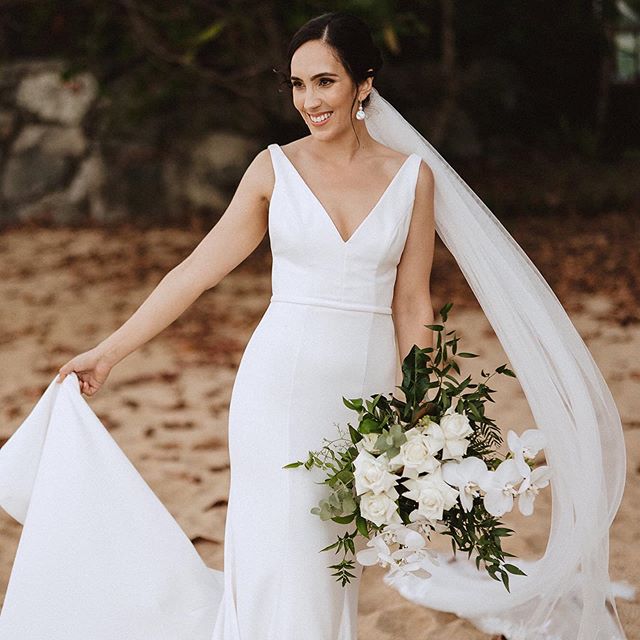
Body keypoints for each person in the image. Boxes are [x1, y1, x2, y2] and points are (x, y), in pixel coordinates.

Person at [0, 10, 632, 640]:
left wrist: (415, 413)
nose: (308, 100)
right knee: (285, 555)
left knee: (329, 564)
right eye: (298, 85)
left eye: (324, 82)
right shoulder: (273, 169)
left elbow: (413, 305)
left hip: (366, 403)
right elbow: (195, 272)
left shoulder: (411, 178)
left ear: (364, 84)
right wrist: (109, 352)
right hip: (277, 390)